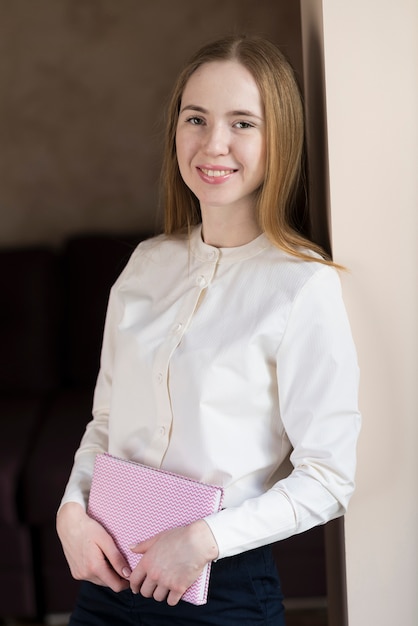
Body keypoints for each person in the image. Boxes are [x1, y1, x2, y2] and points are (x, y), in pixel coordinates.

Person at [56, 34, 361, 625]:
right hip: (109, 575)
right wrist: (72, 510)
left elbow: (329, 477)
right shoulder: (146, 265)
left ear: (280, 140)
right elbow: (107, 423)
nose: (213, 143)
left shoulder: (302, 285)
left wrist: (202, 541)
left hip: (221, 592)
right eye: (196, 118)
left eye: (243, 123)